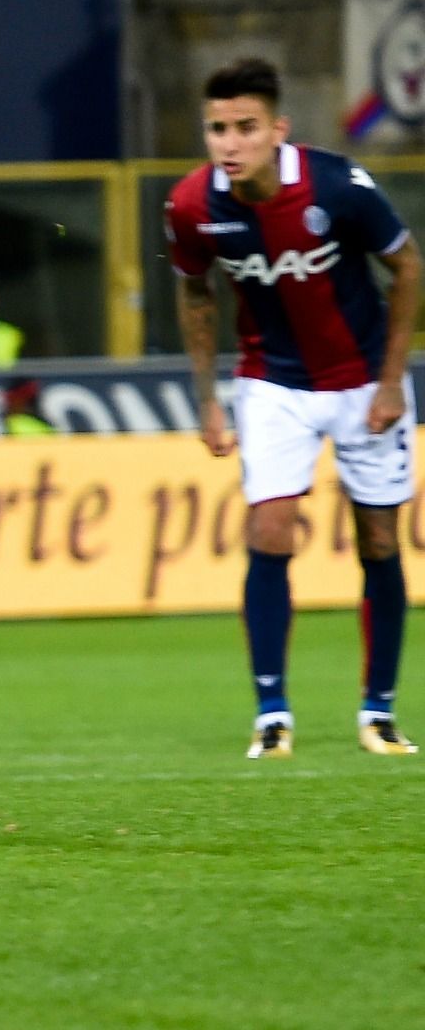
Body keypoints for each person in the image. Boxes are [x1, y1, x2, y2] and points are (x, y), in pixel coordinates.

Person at [166, 57, 422, 759]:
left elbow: (406, 267)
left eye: (246, 127)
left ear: (277, 129)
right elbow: (195, 294)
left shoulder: (339, 187)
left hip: (365, 381)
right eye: (217, 128)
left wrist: (395, 379)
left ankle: (379, 711)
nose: (230, 142)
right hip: (272, 383)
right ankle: (272, 713)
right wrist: (207, 400)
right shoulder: (191, 206)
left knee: (377, 542)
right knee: (270, 531)